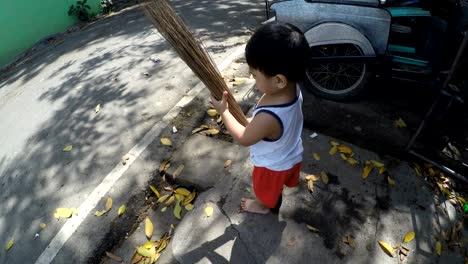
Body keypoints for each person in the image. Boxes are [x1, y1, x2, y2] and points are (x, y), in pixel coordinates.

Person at [211, 21, 309, 214]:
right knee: (279, 184)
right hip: (290, 153)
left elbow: (244, 138)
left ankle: (264, 206)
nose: (253, 81)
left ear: (279, 80)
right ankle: (278, 191)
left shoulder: (268, 117)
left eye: (255, 76)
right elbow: (258, 127)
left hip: (272, 166)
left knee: (265, 191)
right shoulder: (293, 89)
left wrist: (224, 111)